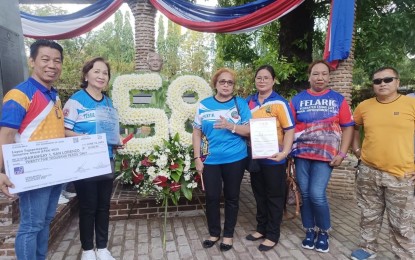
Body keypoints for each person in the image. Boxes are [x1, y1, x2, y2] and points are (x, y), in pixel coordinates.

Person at [0, 39, 65, 260]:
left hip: (56, 170)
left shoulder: (54, 96)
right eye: (45, 59)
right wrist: (1, 171)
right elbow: (6, 135)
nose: (51, 65)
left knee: (45, 220)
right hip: (32, 172)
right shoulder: (19, 95)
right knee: (31, 225)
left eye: (57, 61)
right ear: (32, 61)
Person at [350, 67, 415, 260]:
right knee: (369, 214)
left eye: (387, 79)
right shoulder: (364, 106)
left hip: (401, 173)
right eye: (377, 81)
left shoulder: (410, 104)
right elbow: (353, 127)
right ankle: (367, 248)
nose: (382, 84)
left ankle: (404, 255)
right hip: (369, 170)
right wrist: (356, 150)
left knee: (401, 221)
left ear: (397, 82)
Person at [290, 60, 354, 253]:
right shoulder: (297, 100)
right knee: (306, 194)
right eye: (316, 74)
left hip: (326, 156)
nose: (320, 77)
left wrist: (342, 153)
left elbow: (348, 127)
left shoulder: (338, 99)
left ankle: (324, 231)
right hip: (301, 154)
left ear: (329, 77)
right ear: (309, 76)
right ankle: (309, 230)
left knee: (317, 194)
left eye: (324, 74)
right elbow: (288, 127)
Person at [62, 57, 116, 260]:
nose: (101, 76)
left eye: (105, 73)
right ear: (86, 75)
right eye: (97, 71)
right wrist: (84, 139)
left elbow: (110, 130)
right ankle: (87, 250)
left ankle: (102, 248)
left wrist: (116, 139)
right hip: (84, 161)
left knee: (103, 206)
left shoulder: (108, 101)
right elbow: (64, 131)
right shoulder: (76, 100)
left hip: (106, 159)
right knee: (87, 206)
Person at [192, 68, 251, 251]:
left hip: (235, 158)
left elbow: (249, 130)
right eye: (222, 81)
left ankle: (228, 235)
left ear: (234, 86)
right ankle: (214, 232)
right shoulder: (204, 104)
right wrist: (196, 157)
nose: (226, 85)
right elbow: (196, 132)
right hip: (210, 159)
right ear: (215, 84)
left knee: (232, 197)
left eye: (230, 82)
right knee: (211, 197)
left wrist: (230, 126)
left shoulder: (240, 103)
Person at [245, 65, 295, 251]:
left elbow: (290, 129)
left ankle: (273, 234)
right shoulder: (248, 102)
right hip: (255, 157)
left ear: (273, 80)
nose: (262, 81)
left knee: (274, 196)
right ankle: (261, 228)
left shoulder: (280, 103)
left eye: (266, 78)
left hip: (274, 158)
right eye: (259, 77)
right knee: (259, 194)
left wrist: (285, 152)